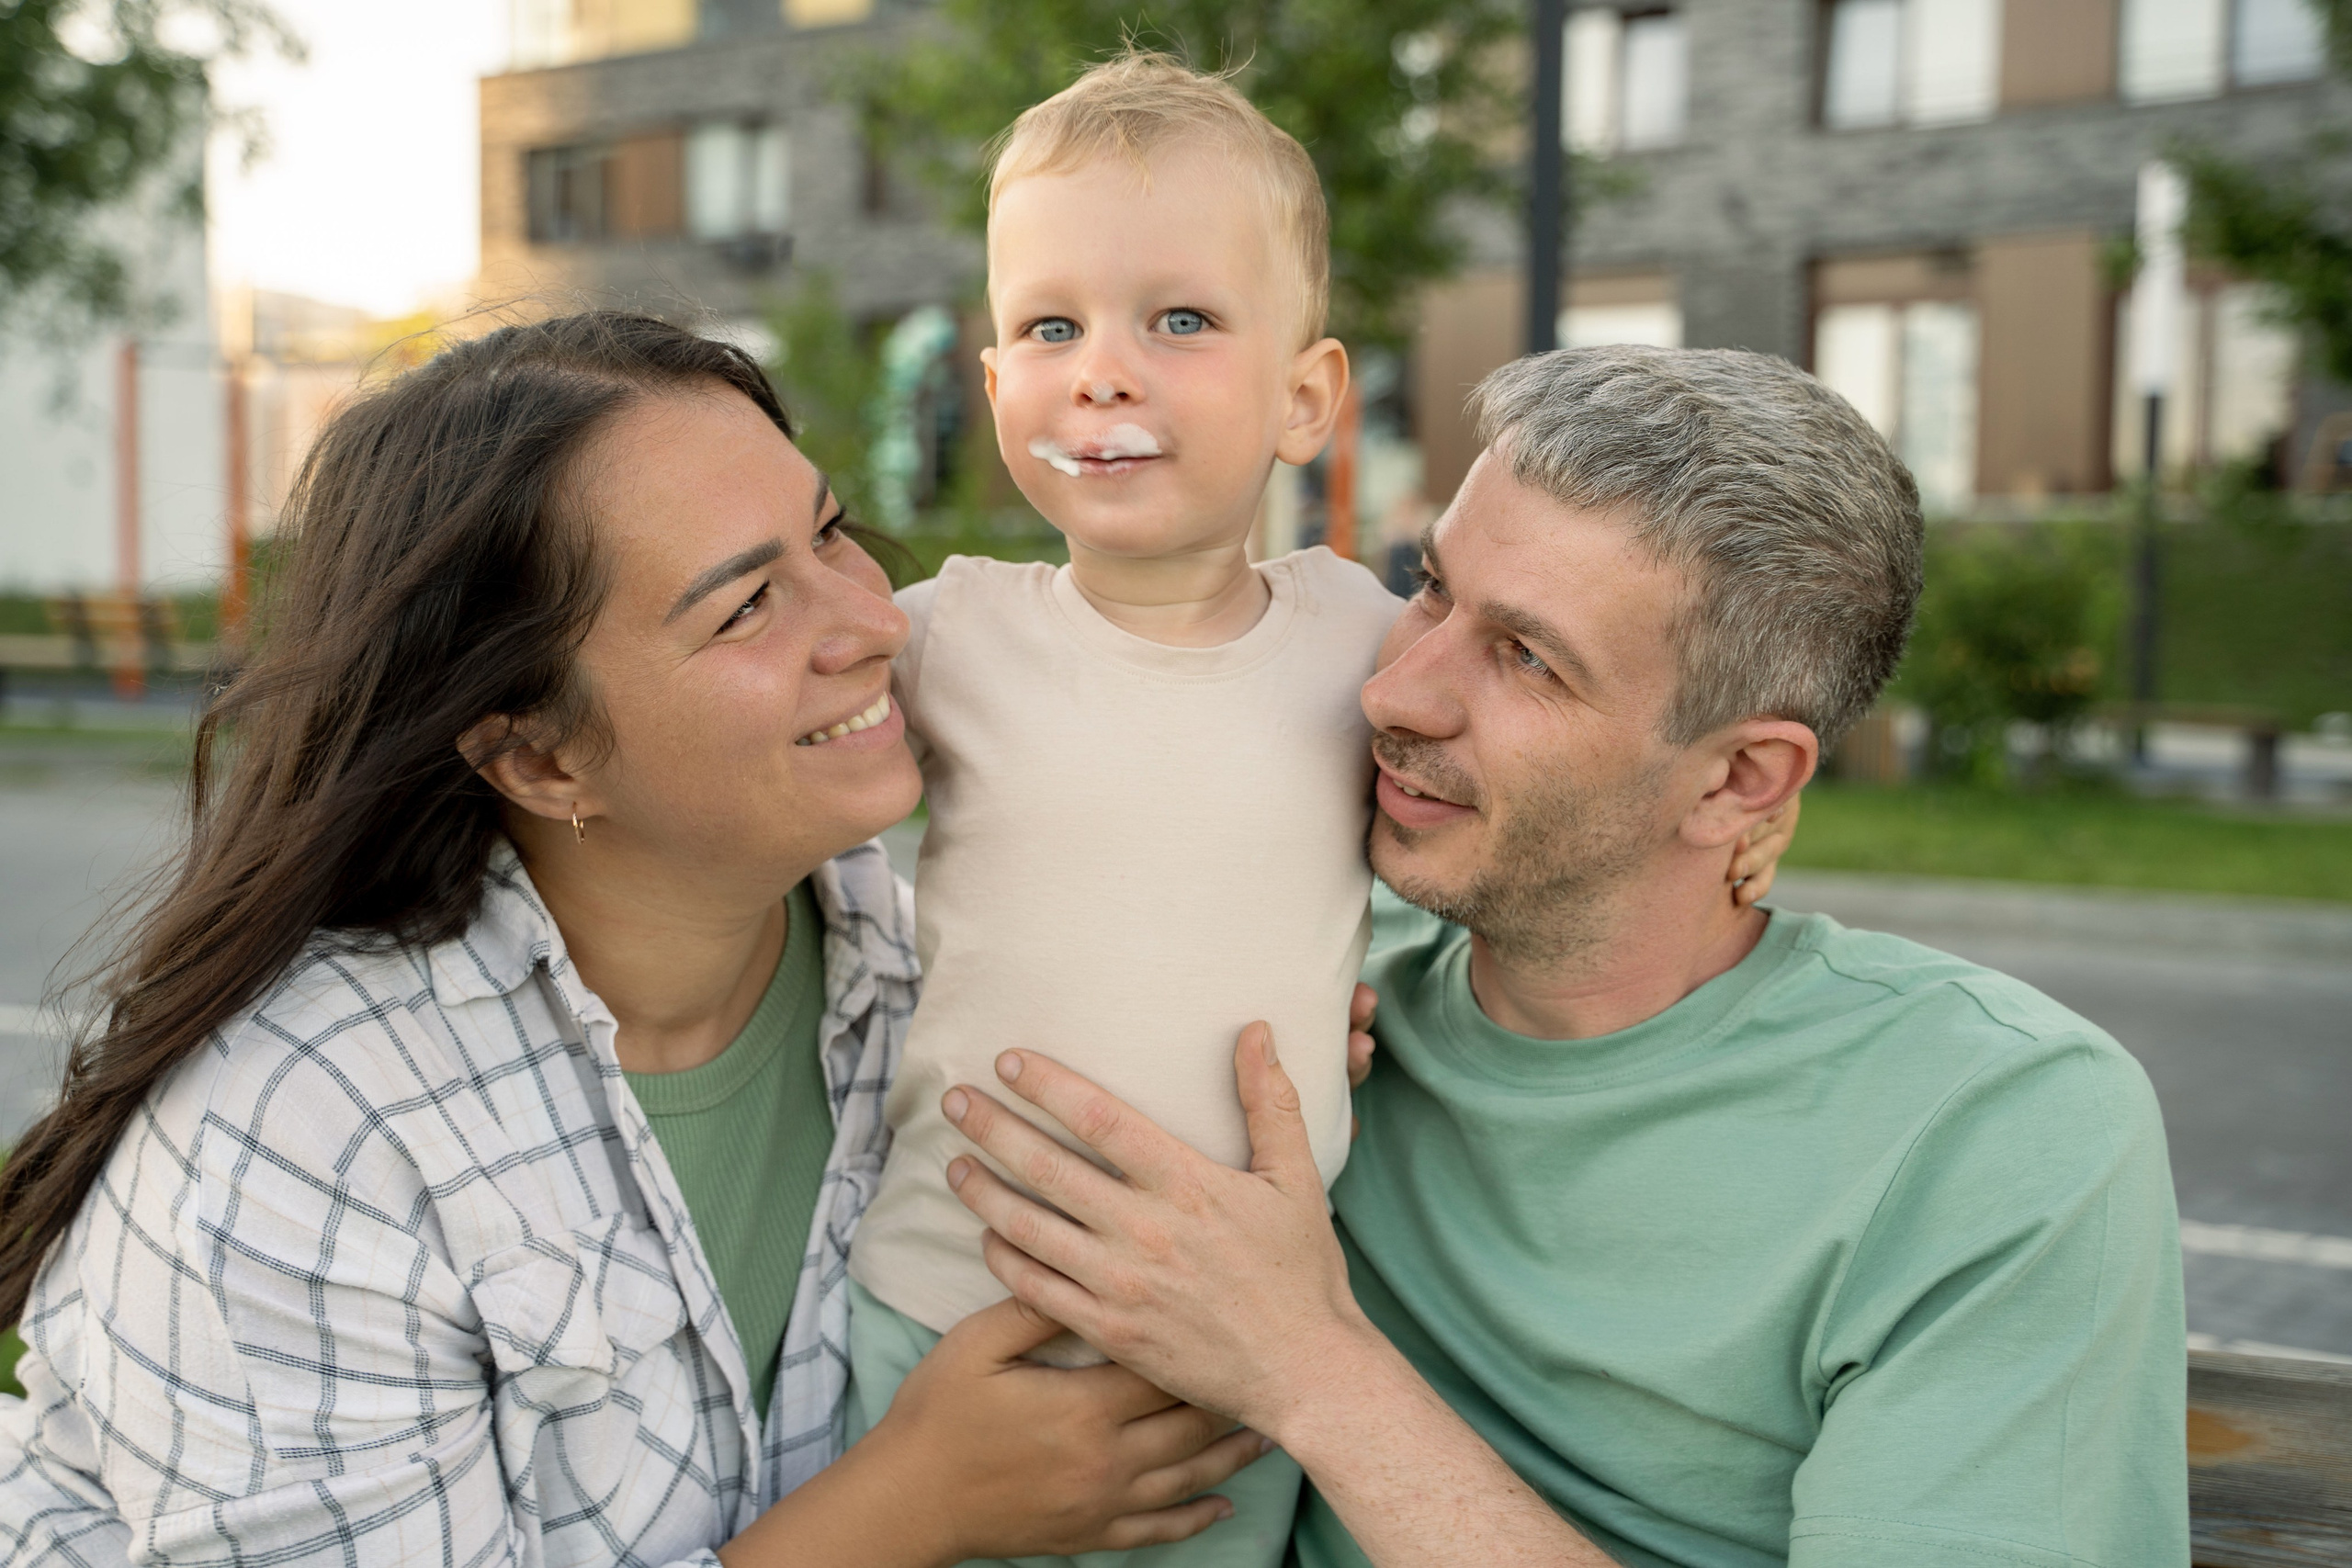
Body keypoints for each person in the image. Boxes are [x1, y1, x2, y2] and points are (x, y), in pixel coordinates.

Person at [0, 313, 1270, 1568]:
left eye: (830, 534)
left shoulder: (901, 954)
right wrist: (914, 1508)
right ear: (539, 753)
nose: (874, 621)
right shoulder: (305, 1142)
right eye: (748, 607)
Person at [933, 346, 2192, 1568]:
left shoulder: (2000, 1131)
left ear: (1742, 779)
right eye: (1430, 588)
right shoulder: (1327, 988)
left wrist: (1306, 1362)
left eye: (1529, 659)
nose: (1400, 693)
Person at [842, 58, 1796, 1567]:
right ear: (994, 386)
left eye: (1180, 320)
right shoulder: (944, 636)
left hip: (1230, 1377)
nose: (1102, 369)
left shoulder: (1369, 650)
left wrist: (1322, 1003)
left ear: (1307, 397)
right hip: (946, 1302)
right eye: (1049, 325)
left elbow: (1505, 827)